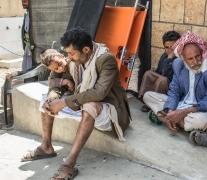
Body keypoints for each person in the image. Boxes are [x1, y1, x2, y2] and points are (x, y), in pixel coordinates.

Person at [21, 28, 131, 179]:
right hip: (81, 102)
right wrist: (53, 98)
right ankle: (46, 146)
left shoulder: (106, 60)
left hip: (109, 110)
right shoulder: (74, 59)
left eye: (71, 53)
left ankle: (69, 164)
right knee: (46, 100)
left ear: (86, 49)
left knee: (89, 105)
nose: (68, 57)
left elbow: (99, 93)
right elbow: (55, 80)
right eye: (67, 53)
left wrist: (64, 102)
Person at [143, 32, 207, 133]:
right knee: (148, 96)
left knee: (200, 122)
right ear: (183, 59)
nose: (195, 61)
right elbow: (174, 91)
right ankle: (175, 120)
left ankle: (162, 117)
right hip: (180, 104)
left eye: (197, 56)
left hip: (198, 110)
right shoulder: (178, 65)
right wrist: (171, 110)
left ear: (202, 52)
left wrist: (183, 112)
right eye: (190, 59)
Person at [139, 31, 180, 112]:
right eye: (166, 47)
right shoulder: (164, 55)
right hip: (163, 84)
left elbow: (166, 75)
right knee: (148, 73)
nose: (169, 50)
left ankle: (153, 103)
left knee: (162, 80)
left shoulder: (180, 59)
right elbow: (159, 71)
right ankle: (145, 100)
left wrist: (170, 59)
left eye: (172, 47)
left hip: (173, 89)